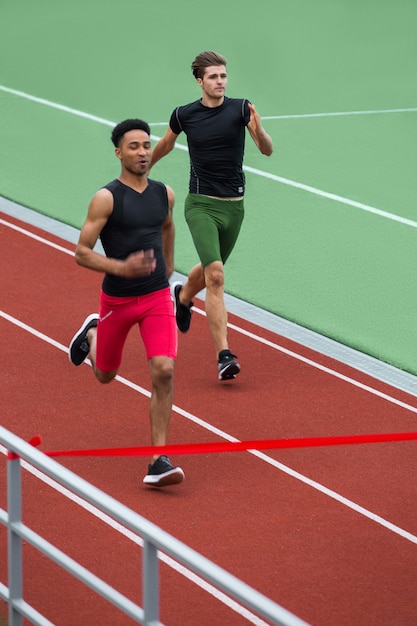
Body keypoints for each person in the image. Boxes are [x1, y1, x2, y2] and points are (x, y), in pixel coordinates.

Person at [68, 118, 184, 488]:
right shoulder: (106, 198)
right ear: (119, 153)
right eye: (134, 147)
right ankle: (91, 335)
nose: (143, 152)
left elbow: (167, 226)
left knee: (163, 369)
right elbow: (82, 253)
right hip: (117, 300)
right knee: (105, 375)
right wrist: (121, 266)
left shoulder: (164, 192)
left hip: (155, 298)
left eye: (147, 145)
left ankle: (158, 461)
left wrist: (167, 267)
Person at [150, 50, 273, 381]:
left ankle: (184, 295)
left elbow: (266, 149)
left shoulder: (240, 108)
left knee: (209, 268)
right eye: (214, 77)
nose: (220, 82)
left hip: (235, 207)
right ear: (200, 81)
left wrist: (259, 130)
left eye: (223, 76)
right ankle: (224, 355)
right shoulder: (184, 115)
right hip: (201, 205)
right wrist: (145, 170)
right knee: (216, 275)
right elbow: (164, 143)